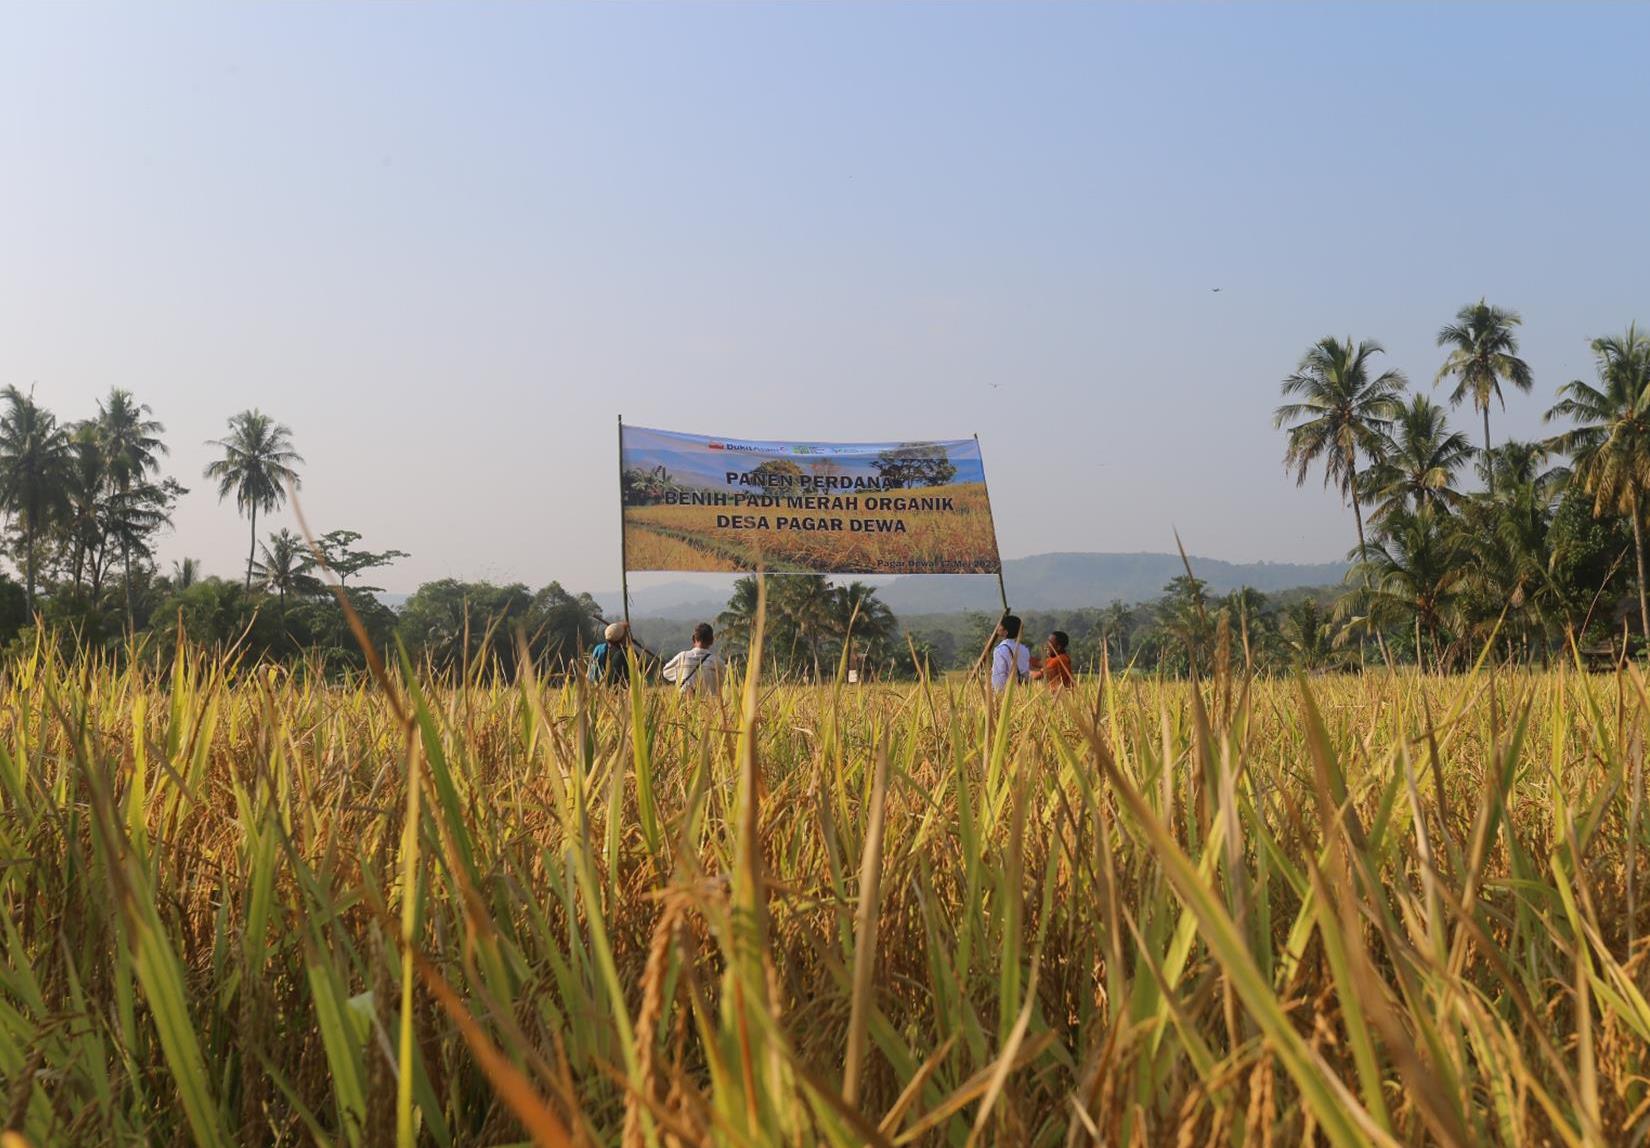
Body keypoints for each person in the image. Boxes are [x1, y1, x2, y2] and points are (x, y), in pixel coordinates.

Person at [662, 622, 723, 694]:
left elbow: (666, 672)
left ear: (693, 638)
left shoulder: (682, 657)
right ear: (712, 641)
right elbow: (723, 680)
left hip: (685, 704)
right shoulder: (718, 662)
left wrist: (681, 673)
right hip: (711, 704)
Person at [990, 614, 1031, 693]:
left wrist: (996, 693)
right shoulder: (1024, 649)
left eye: (1000, 625)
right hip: (1022, 691)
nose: (998, 627)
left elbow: (1000, 675)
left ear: (1006, 632)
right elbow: (1026, 670)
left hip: (1007, 692)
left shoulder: (1000, 650)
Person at [588, 621, 632, 685]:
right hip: (618, 691)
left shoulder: (599, 649)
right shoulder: (624, 654)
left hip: (600, 689)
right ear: (622, 638)